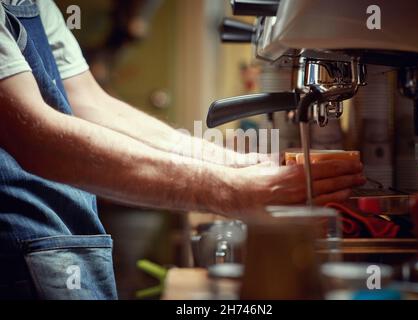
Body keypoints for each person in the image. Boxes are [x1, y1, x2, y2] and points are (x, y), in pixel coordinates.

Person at [0, 0, 365, 299]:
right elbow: (35, 137)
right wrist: (228, 191)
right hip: (14, 254)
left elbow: (91, 104)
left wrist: (235, 163)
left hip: (64, 246)